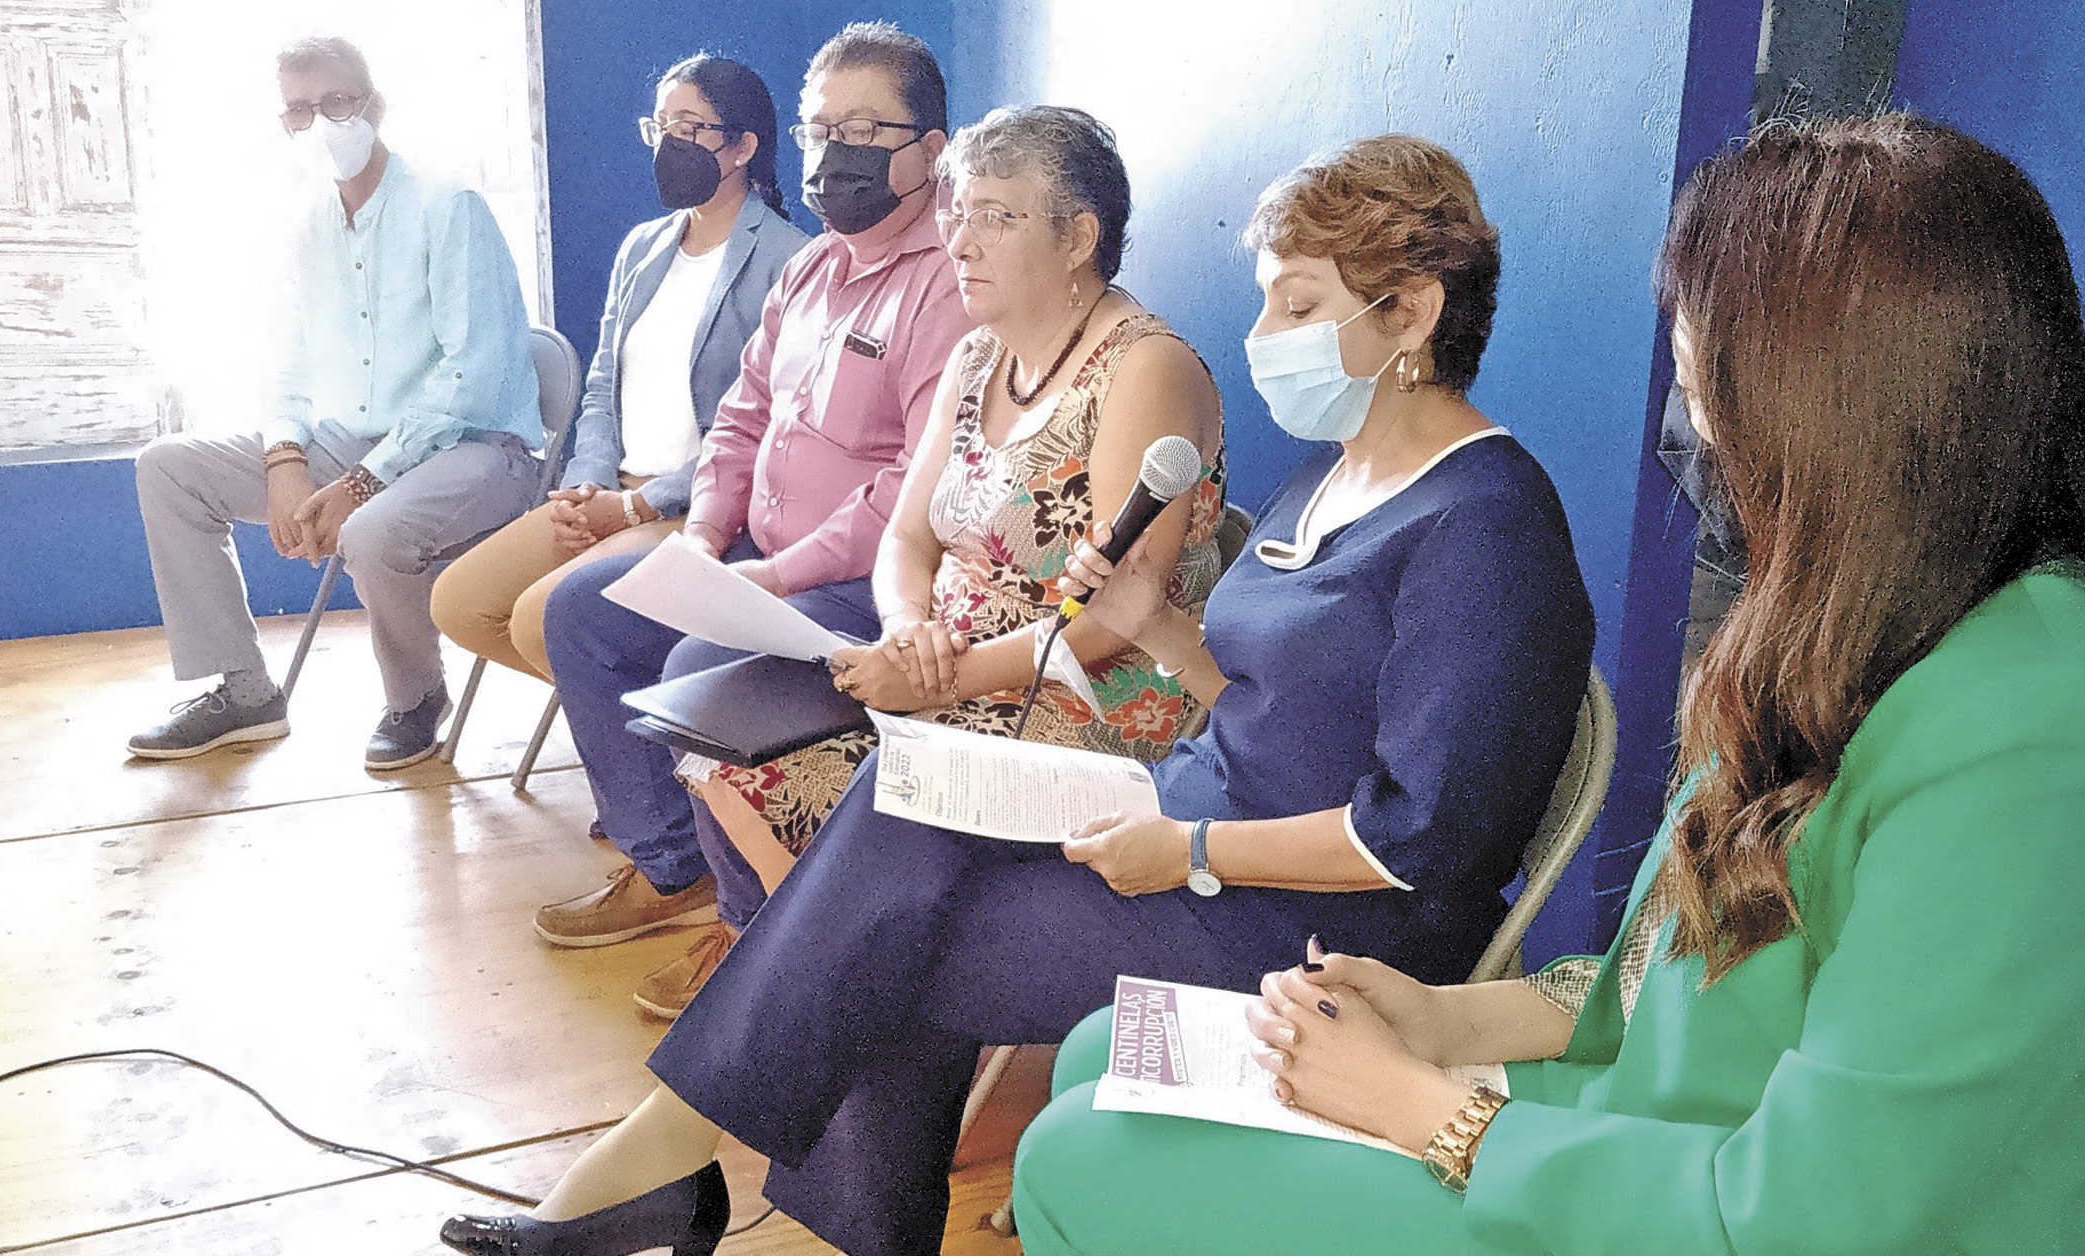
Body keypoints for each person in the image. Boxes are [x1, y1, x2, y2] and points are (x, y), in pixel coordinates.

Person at [1010, 115, 2085, 1256]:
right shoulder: (1849, 634)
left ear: (1836, 414)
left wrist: (1422, 1103)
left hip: (1688, 1202)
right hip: (1642, 1140)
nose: (1688, 431)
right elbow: (1653, 984)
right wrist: (1438, 1016)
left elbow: (1804, 1213)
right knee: (1112, 1053)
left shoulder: (2046, 726)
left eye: (1705, 386)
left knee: (1081, 1154)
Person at [438, 135, 1595, 1256]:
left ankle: (663, 1163)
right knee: (903, 799)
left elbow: (1417, 840)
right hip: (1186, 820)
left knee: (882, 948)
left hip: (1310, 921)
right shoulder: (1336, 474)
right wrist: (1158, 626)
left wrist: (1188, 846)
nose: (1261, 338)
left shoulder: (1486, 527)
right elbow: (1264, 696)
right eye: (1264, 303)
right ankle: (673, 1162)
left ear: (1412, 313)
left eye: (1298, 306)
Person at [637, 104, 1230, 1019]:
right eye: (959, 212)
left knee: (854, 787)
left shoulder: (1143, 367)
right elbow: (907, 540)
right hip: (941, 662)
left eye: (997, 216)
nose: (961, 239)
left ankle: (833, 1001)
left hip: (1090, 696)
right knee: (720, 736)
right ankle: (834, 994)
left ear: (1080, 238)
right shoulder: (978, 355)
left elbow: (1117, 617)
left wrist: (939, 680)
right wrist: (906, 626)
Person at [527, 21, 970, 950]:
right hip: (751, 551)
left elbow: (912, 486)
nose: (833, 154)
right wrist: (699, 540)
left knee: (696, 667)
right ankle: (672, 868)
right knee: (584, 612)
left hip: (859, 583)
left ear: (931, 151)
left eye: (863, 131)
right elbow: (741, 418)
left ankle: (748, 931)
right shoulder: (810, 267)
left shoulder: (950, 284)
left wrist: (771, 577)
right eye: (819, 131)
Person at [129, 36, 542, 770]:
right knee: (169, 468)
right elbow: (285, 360)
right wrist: (284, 457)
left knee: (374, 527)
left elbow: (472, 375)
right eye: (300, 109)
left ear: (375, 106)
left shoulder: (448, 204)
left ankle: (416, 698)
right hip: (345, 445)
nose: (320, 123)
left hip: (471, 453)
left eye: (338, 102)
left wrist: (363, 481)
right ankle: (245, 693)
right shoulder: (306, 221)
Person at [428, 55, 807, 688]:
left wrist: (634, 507)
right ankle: (640, 710)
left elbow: (767, 431)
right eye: (660, 126)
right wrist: (587, 485)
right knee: (460, 604)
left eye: (689, 127)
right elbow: (603, 385)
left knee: (539, 619)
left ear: (743, 147)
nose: (668, 144)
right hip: (612, 488)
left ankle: (656, 721)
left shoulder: (791, 261)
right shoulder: (642, 247)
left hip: (701, 506)